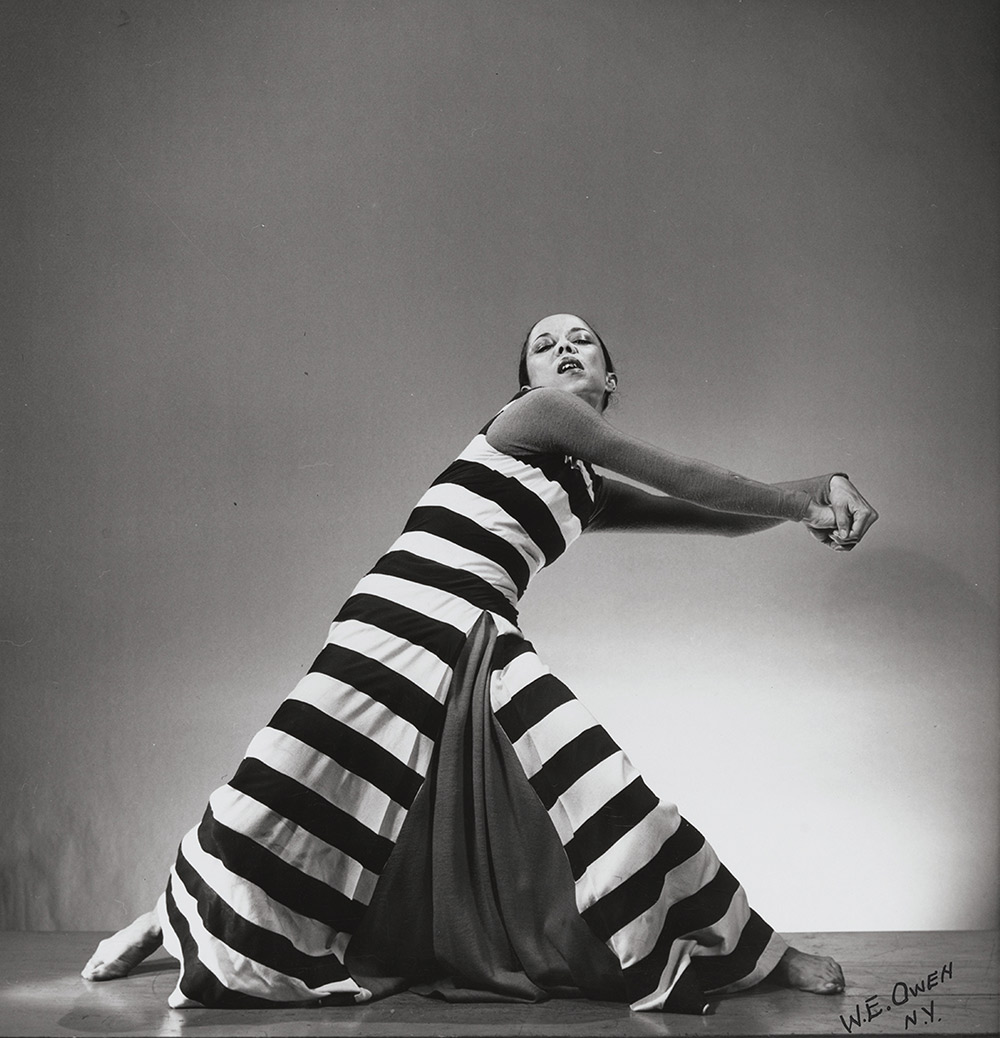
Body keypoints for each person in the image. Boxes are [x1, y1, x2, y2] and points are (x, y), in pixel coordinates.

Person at [82, 313, 877, 1013]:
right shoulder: (541, 416)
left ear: (610, 376)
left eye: (581, 342)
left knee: (593, 779)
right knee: (290, 792)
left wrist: (817, 487)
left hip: (477, 626)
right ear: (528, 380)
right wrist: (807, 501)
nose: (564, 349)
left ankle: (754, 954)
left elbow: (713, 512)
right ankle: (169, 916)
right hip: (395, 615)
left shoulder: (583, 483)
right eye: (544, 344)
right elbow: (688, 475)